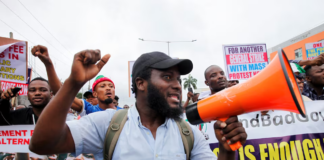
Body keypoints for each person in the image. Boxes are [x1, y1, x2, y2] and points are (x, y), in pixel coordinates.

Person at [30, 50, 247, 160]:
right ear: (140, 84)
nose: (177, 86)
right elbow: (41, 144)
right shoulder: (107, 124)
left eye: (178, 80)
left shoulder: (188, 134)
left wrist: (227, 152)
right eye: (167, 77)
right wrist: (73, 83)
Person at [34, 45, 116, 114]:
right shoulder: (89, 110)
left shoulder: (125, 114)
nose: (108, 88)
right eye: (102, 86)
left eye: (111, 86)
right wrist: (48, 64)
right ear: (95, 93)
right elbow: (61, 93)